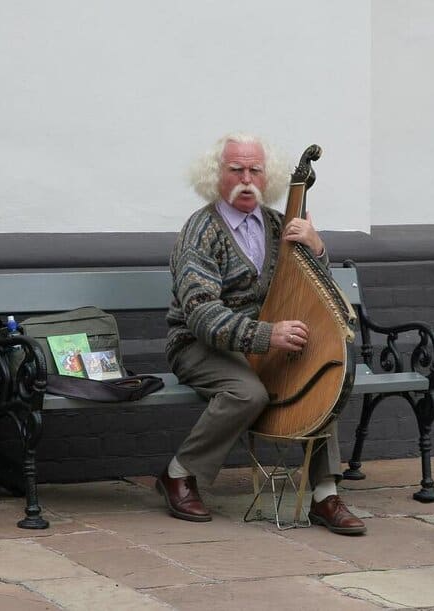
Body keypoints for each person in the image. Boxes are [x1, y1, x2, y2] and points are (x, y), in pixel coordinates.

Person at [157, 132, 366, 536]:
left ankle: (324, 495)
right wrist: (266, 335)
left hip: (262, 344)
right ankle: (178, 474)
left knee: (322, 373)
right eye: (236, 170)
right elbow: (201, 315)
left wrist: (318, 247)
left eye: (254, 170)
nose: (246, 179)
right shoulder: (200, 231)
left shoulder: (277, 224)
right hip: (198, 345)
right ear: (216, 175)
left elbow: (311, 287)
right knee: (246, 392)